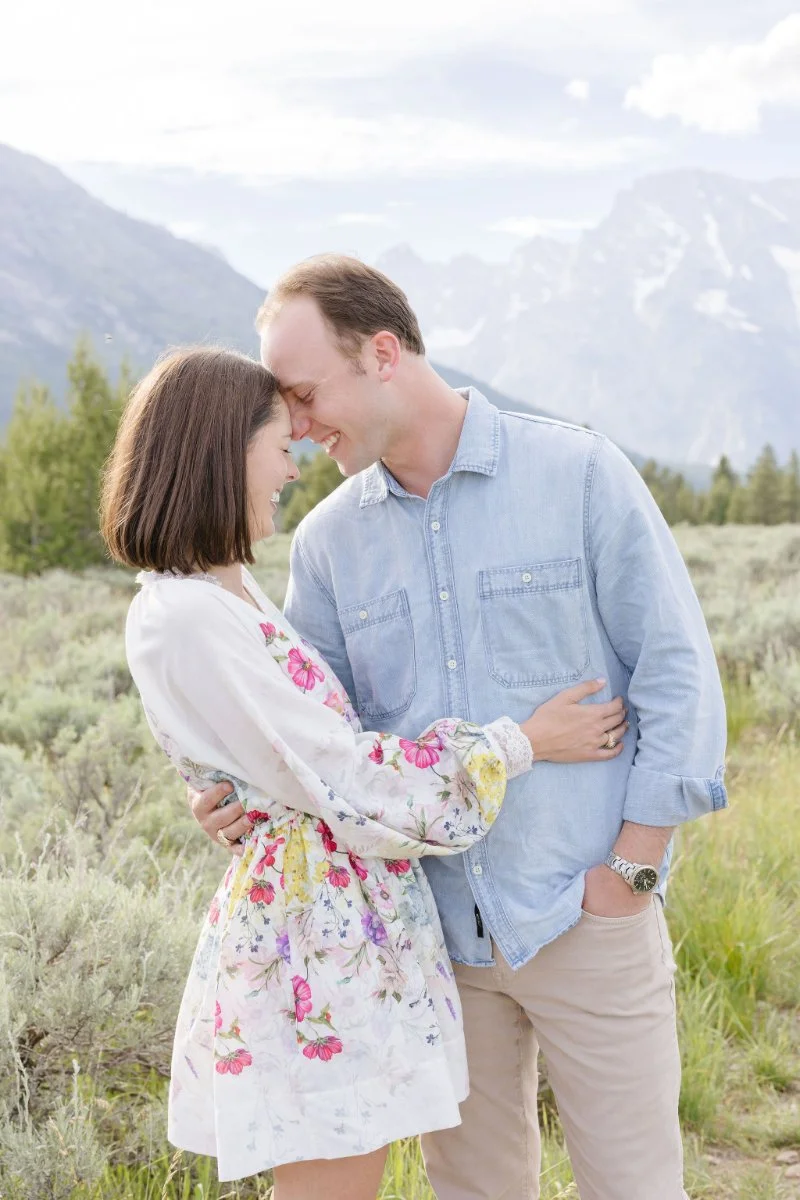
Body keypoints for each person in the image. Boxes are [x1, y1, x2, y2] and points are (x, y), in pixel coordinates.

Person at [195, 255, 728, 1200]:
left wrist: (633, 873)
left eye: (308, 394)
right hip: (428, 943)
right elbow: (320, 741)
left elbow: (677, 672)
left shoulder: (580, 475)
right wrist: (241, 791)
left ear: (385, 353)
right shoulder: (325, 548)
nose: (299, 425)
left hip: (587, 915)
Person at [100, 346, 629, 1200]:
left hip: (337, 930)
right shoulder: (185, 613)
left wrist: (230, 791)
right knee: (332, 1185)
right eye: (277, 443)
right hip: (310, 940)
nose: (291, 466)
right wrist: (520, 743)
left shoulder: (222, 590)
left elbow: (274, 755)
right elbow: (348, 777)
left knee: (350, 1177)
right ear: (218, 452)